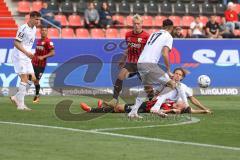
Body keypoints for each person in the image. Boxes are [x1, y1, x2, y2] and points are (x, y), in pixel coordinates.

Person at [80, 68, 211, 115]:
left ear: (182, 77)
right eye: (175, 73)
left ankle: (96, 108)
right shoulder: (166, 82)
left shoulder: (183, 88)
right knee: (120, 108)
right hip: (152, 101)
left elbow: (191, 103)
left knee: (118, 109)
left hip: (153, 106)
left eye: (179, 74)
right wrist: (152, 92)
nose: (176, 76)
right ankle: (102, 106)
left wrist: (204, 109)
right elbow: (157, 92)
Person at [128, 19, 189, 118]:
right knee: (172, 84)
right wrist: (168, 70)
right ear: (171, 27)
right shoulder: (168, 36)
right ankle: (156, 108)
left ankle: (133, 112)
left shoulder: (154, 34)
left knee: (147, 88)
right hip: (150, 64)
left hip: (140, 62)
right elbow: (165, 53)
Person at [107, 14, 150, 107]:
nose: (136, 25)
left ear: (142, 24)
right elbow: (128, 48)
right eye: (134, 23)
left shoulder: (146, 36)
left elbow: (149, 50)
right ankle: (114, 99)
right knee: (120, 76)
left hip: (141, 64)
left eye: (138, 23)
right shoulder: (128, 35)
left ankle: (152, 101)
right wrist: (123, 59)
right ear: (132, 24)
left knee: (147, 86)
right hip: (130, 63)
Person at [10, 11, 41, 110]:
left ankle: (16, 97)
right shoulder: (23, 28)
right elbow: (16, 43)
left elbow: (28, 43)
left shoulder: (35, 29)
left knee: (33, 79)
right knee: (24, 78)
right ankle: (21, 105)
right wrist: (27, 52)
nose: (38, 21)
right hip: (19, 55)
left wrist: (30, 53)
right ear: (31, 18)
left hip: (27, 57)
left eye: (39, 19)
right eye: (36, 19)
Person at [31, 26, 55, 103]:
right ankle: (20, 95)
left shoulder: (48, 42)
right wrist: (33, 56)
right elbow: (37, 52)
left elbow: (52, 53)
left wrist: (43, 56)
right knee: (29, 78)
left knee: (36, 80)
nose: (44, 31)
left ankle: (37, 96)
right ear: (40, 32)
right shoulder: (38, 41)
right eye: (42, 30)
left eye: (45, 30)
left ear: (47, 32)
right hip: (33, 62)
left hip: (41, 65)